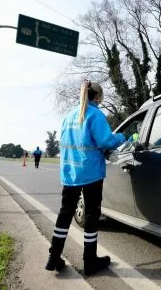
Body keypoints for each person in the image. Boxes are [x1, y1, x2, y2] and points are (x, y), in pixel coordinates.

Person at [45, 80, 126, 275]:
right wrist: (123, 137)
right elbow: (106, 141)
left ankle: (53, 257)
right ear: (97, 97)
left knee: (65, 214)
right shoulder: (95, 114)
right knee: (91, 215)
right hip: (90, 173)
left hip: (70, 173)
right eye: (100, 98)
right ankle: (90, 261)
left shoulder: (69, 116)